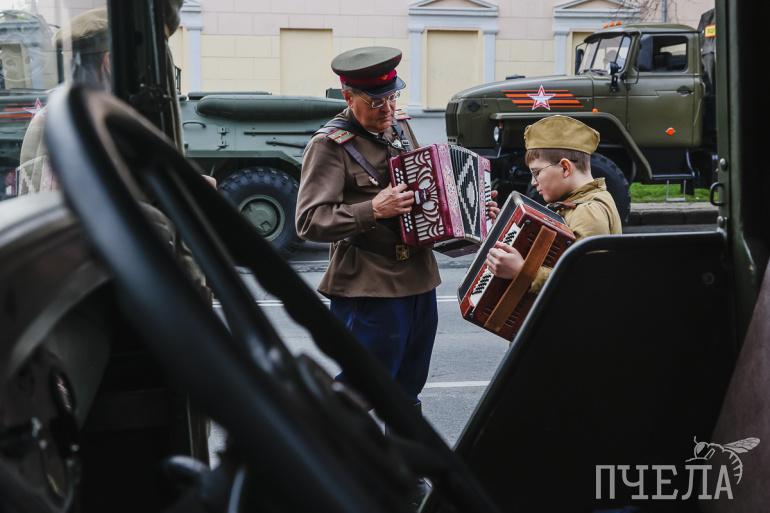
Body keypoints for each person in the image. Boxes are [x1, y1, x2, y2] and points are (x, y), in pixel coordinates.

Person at [296, 47, 500, 412]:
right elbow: (309, 221)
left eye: (392, 98)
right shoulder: (329, 146)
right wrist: (373, 209)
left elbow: (429, 191)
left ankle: (404, 452)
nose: (388, 109)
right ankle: (320, 448)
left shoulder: (399, 127)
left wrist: (473, 209)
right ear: (349, 97)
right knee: (360, 393)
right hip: (370, 285)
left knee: (407, 394)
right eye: (376, 102)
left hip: (419, 279)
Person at [485, 115, 622, 293]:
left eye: (536, 172)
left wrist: (523, 272)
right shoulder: (577, 203)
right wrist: (502, 227)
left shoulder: (588, 212)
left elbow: (587, 281)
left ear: (565, 168)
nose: (533, 182)